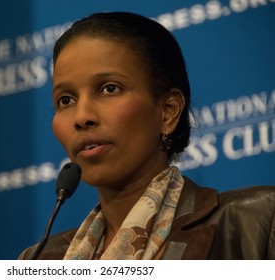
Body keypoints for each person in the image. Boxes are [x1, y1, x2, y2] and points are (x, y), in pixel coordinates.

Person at [19, 11, 275, 260]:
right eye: (66, 100)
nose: (81, 116)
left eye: (109, 88)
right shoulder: (39, 260)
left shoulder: (256, 222)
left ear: (168, 112)